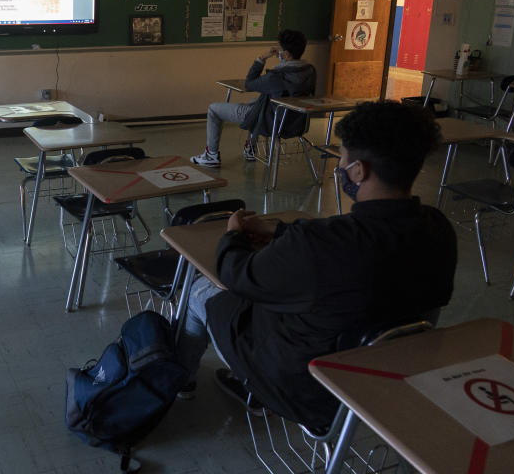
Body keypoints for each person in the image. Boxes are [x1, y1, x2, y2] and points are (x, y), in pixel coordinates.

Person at [176, 101, 457, 431]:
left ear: (359, 171)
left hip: (303, 389)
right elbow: (347, 244)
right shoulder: (438, 230)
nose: (340, 165)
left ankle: (182, 381)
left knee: (199, 290)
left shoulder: (318, 247)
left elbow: (235, 274)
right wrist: (283, 231)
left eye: (343, 157)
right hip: (376, 383)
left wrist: (232, 236)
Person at [191, 29, 315, 167]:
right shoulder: (309, 71)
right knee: (255, 102)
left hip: (272, 123)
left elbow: (249, 84)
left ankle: (211, 156)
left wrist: (262, 58)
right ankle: (250, 148)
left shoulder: (277, 75)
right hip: (296, 123)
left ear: (285, 53)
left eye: (280, 48)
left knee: (213, 109)